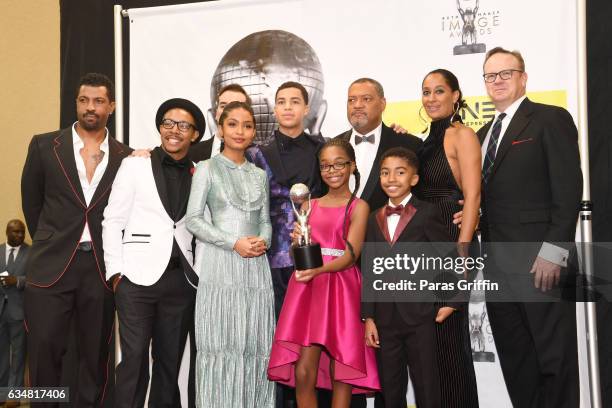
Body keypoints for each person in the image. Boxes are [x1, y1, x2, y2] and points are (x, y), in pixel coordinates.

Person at [477, 47, 582, 407]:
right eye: (491, 76)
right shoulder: (482, 134)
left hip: (541, 262)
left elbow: (568, 193)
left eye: (506, 73)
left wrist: (554, 253)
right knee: (517, 360)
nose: (498, 81)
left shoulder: (550, 119)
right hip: (495, 266)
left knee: (554, 359)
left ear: (523, 77)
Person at [21, 72, 131, 406]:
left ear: (111, 106)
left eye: (98, 101)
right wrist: (50, 240)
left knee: (94, 358)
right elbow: (32, 202)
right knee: (43, 353)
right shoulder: (44, 145)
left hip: (99, 268)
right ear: (77, 103)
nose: (90, 108)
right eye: (84, 100)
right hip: (50, 265)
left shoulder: (126, 156)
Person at [102, 98, 205, 407]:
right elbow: (113, 219)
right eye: (168, 124)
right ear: (160, 128)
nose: (174, 131)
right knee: (133, 359)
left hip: (181, 282)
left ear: (195, 134)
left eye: (183, 125)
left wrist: (196, 273)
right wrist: (116, 272)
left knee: (169, 363)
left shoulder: (200, 173)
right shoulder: (135, 163)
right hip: (135, 279)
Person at [268, 138, 380, 407]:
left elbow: (351, 255)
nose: (332, 170)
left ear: (352, 166)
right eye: (325, 166)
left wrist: (319, 269)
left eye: (339, 164)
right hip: (309, 289)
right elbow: (302, 252)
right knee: (304, 370)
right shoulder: (309, 205)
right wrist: (298, 242)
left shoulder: (359, 207)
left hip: (342, 286)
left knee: (341, 366)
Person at [186, 101, 275, 407]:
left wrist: (263, 241)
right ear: (220, 129)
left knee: (255, 344)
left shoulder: (259, 175)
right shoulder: (206, 169)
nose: (240, 131)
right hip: (221, 265)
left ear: (254, 132)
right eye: (233, 124)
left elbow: (265, 221)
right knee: (220, 344)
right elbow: (194, 219)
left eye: (247, 125)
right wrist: (233, 243)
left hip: (255, 268)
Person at [246, 81, 325, 408]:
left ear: (308, 108)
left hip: (318, 255)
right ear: (274, 109)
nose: (288, 107)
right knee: (280, 336)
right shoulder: (256, 153)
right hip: (271, 257)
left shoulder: (326, 148)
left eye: (295, 101)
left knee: (316, 336)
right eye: (282, 102)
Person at [363, 147, 452, 408]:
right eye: (385, 173)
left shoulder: (427, 213)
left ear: (414, 178)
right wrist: (368, 316)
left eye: (400, 173)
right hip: (384, 319)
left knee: (427, 386)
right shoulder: (372, 218)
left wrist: (452, 301)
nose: (392, 179)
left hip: (420, 316)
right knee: (391, 390)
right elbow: (370, 269)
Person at [413, 69, 480, 407]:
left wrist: (464, 255)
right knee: (431, 351)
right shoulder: (422, 142)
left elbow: (473, 195)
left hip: (451, 249)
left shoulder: (461, 135)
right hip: (424, 252)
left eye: (440, 91)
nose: (432, 98)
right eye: (426, 92)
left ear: (455, 96)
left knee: (450, 345)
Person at [335, 78, 423, 212]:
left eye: (366, 99)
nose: (357, 105)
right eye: (351, 100)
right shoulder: (332, 146)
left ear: (383, 104)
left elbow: (423, 198)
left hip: (389, 231)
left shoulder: (408, 145)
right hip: (337, 231)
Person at [0, 220, 29, 398]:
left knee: (18, 356)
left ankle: (13, 395)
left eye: (22, 232)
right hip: (0, 312)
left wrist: (17, 281)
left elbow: (36, 279)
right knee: (1, 355)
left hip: (19, 312)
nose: (19, 235)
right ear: (7, 232)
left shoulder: (32, 252)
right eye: (16, 232)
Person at [189, 83, 251, 162]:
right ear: (216, 112)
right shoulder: (192, 152)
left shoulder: (258, 156)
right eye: (223, 106)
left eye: (235, 106)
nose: (227, 111)